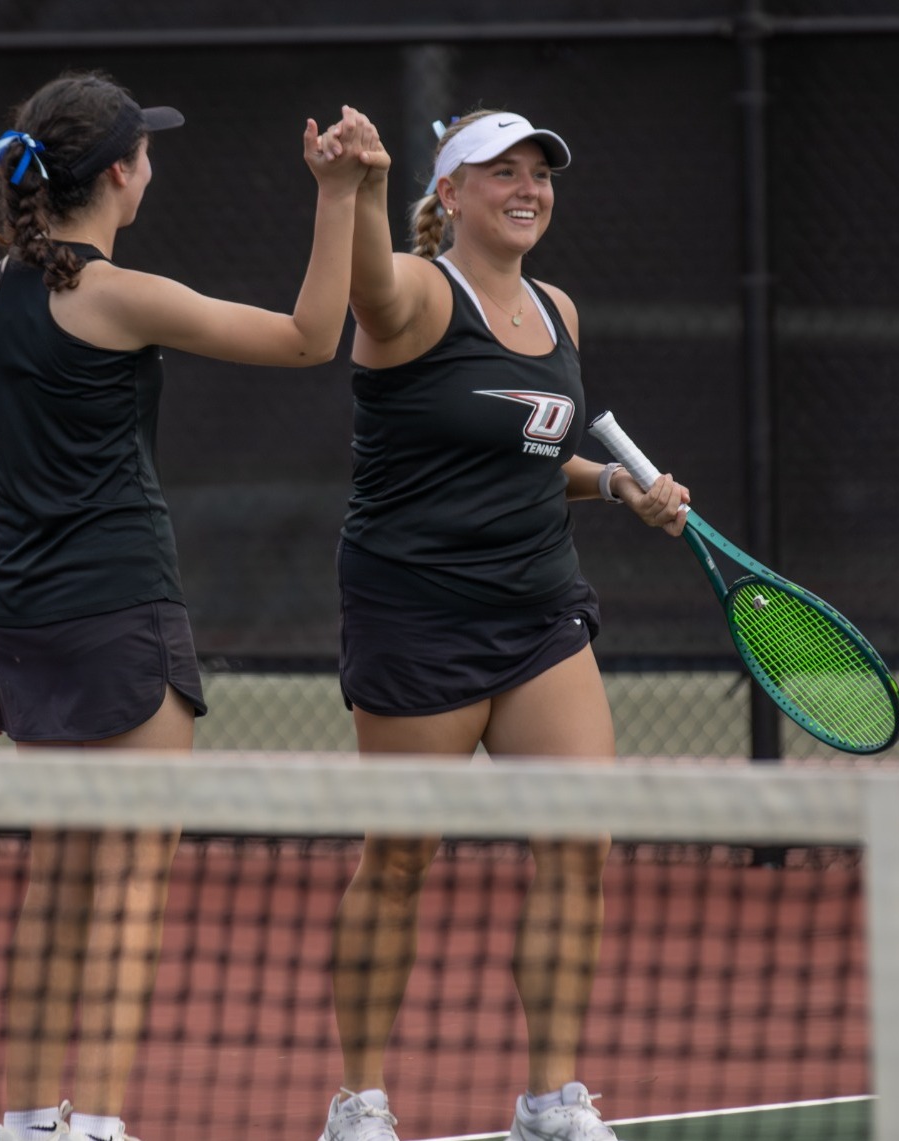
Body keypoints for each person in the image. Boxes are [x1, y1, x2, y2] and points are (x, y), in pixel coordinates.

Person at [0, 72, 386, 1141]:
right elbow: (306, 336)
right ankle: (95, 1120)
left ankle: (24, 1122)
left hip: (24, 623)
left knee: (57, 883)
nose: (152, 164)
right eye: (144, 150)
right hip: (121, 609)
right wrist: (337, 196)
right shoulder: (119, 294)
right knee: (134, 879)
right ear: (116, 174)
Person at [316, 109, 691, 1141]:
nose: (527, 187)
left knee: (581, 844)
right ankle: (358, 1102)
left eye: (539, 172)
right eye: (501, 172)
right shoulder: (414, 295)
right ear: (450, 195)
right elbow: (366, 285)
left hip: (540, 610)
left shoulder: (559, 308)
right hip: (416, 614)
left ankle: (550, 1099)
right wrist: (358, 183)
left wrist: (616, 483)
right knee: (399, 859)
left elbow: (526, 447)